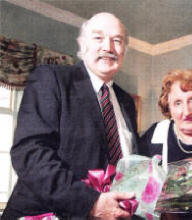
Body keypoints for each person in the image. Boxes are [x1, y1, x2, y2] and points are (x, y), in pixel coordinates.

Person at [3, 12, 139, 219]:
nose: (108, 47)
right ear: (82, 45)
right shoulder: (51, 79)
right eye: (98, 38)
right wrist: (91, 203)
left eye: (117, 41)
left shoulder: (126, 102)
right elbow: (30, 153)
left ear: (124, 51)